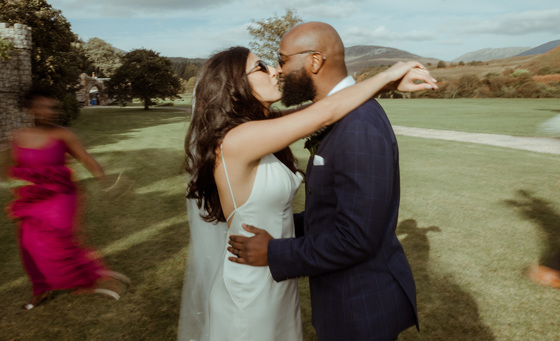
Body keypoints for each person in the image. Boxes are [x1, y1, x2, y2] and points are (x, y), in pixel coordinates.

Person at [182, 41, 436, 340]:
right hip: (251, 284)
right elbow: (325, 113)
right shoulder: (238, 139)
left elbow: (321, 108)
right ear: (235, 85)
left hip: (274, 274)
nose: (275, 70)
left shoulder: (258, 129)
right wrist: (389, 74)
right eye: (261, 67)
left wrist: (387, 87)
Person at [6, 87, 129, 310]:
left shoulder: (63, 134)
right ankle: (41, 290)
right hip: (33, 199)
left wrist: (108, 183)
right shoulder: (18, 136)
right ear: (30, 109)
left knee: (62, 241)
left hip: (62, 197)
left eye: (52, 107)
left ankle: (94, 278)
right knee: (29, 246)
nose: (49, 112)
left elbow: (87, 160)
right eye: (42, 107)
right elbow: (12, 170)